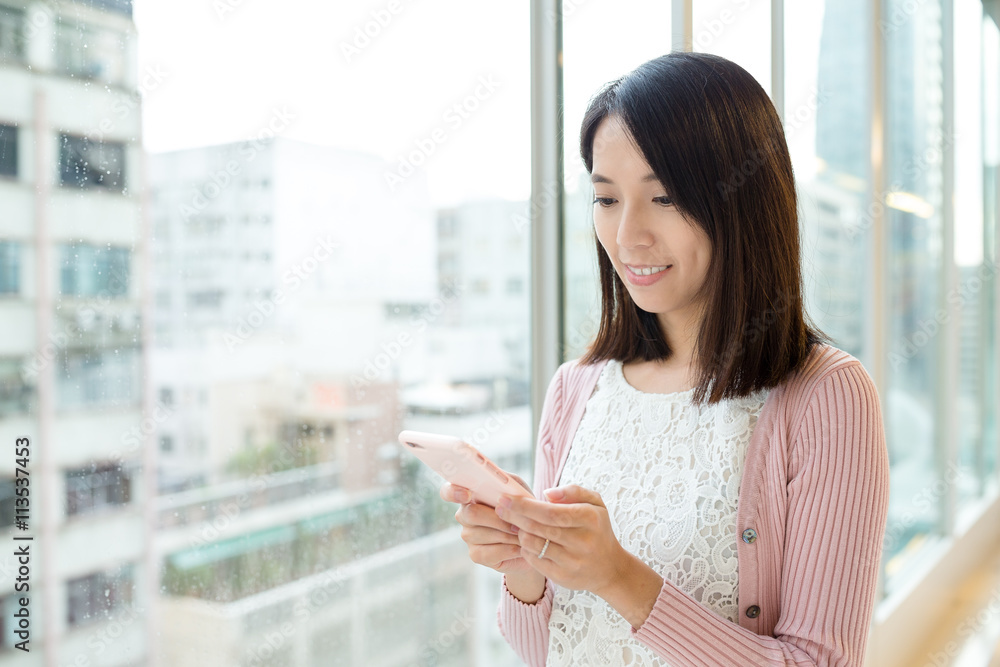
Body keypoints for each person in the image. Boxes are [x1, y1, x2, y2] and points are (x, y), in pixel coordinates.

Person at [440, 51, 889, 666]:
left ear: (743, 200)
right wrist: (526, 565)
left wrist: (617, 576)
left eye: (665, 197)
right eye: (606, 199)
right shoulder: (576, 389)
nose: (628, 236)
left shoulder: (825, 396)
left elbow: (821, 661)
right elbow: (547, 649)